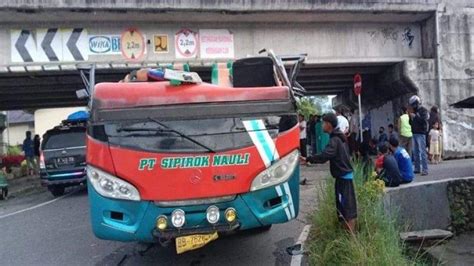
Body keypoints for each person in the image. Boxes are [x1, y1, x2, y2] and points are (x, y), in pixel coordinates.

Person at [302, 113, 357, 233]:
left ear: (329, 124)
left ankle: (351, 239)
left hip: (344, 179)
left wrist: (308, 158)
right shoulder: (339, 137)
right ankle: (348, 236)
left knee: (347, 210)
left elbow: (324, 156)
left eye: (323, 122)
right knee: (345, 209)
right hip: (343, 177)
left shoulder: (335, 140)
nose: (322, 125)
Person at [408, 95, 430, 175]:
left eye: (414, 104)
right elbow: (411, 123)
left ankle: (425, 169)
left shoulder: (423, 110)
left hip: (421, 133)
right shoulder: (414, 111)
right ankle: (417, 168)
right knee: (415, 152)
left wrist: (416, 116)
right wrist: (411, 118)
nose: (413, 106)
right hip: (414, 133)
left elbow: (424, 121)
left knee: (422, 152)